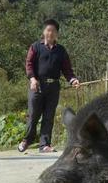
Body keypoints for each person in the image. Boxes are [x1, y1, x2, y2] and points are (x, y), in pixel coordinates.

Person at [18, 19, 80, 153]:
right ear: (44, 32)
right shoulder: (35, 47)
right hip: (37, 86)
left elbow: (67, 69)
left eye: (53, 31)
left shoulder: (61, 50)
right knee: (33, 114)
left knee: (48, 116)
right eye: (48, 30)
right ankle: (27, 140)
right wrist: (32, 79)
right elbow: (29, 64)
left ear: (57, 34)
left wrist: (73, 79)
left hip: (53, 87)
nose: (50, 33)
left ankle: (44, 145)